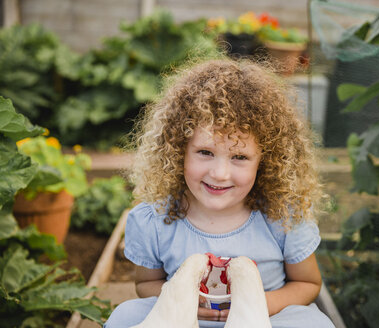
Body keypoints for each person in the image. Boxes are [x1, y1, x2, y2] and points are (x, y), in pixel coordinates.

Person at [104, 59, 335, 328]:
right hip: (182, 318)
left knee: (314, 323)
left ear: (266, 160)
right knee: (125, 316)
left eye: (239, 156)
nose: (220, 173)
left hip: (265, 319)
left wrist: (256, 306)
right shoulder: (155, 218)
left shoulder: (283, 215)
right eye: (205, 152)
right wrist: (188, 303)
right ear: (179, 150)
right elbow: (146, 283)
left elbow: (307, 283)